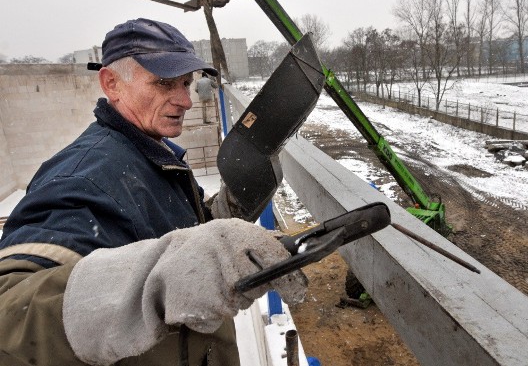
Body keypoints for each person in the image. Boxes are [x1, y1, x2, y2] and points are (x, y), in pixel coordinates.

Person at [0, 18, 307, 366]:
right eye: (164, 83)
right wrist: (163, 279)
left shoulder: (150, 156)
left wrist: (234, 203)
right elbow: (9, 315)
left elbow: (177, 233)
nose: (186, 100)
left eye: (186, 83)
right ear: (111, 83)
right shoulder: (85, 176)